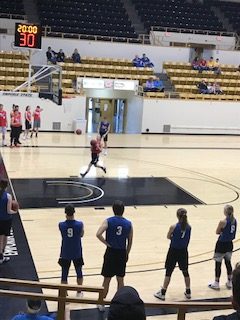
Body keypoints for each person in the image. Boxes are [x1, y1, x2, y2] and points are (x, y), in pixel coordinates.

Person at [96, 200, 133, 311]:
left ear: (113, 210)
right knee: (120, 280)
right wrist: (127, 253)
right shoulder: (128, 223)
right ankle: (119, 303)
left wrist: (107, 243)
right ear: (123, 210)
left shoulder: (108, 221)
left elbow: (98, 234)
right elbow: (130, 241)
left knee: (106, 279)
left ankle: (101, 302)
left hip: (111, 252)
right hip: (121, 253)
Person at [154, 208, 191, 300]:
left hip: (173, 251)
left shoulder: (173, 226)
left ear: (177, 216)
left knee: (168, 272)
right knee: (185, 272)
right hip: (184, 251)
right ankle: (188, 291)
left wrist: (174, 238)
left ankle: (163, 293)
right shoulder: (189, 227)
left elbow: (168, 236)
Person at [208, 205, 237, 290]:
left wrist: (222, 231)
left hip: (221, 244)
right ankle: (230, 281)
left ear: (225, 212)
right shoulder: (234, 220)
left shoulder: (223, 221)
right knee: (228, 263)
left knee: (218, 264)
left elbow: (217, 232)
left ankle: (216, 283)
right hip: (230, 244)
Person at [58, 204, 84, 296]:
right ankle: (79, 292)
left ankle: (64, 294)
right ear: (74, 212)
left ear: (65, 213)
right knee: (79, 272)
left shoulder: (61, 225)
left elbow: (63, 235)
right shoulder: (80, 224)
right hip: (77, 251)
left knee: (64, 274)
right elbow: (81, 235)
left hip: (65, 251)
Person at [0, 179, 17, 264]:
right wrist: (15, 211)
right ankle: (1, 255)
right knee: (5, 237)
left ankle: (0, 256)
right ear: (7, 186)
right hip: (6, 219)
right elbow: (9, 211)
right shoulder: (8, 196)